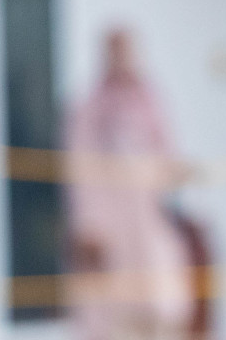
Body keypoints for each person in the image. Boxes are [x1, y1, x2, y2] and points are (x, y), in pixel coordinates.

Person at [66, 29, 192, 340]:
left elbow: (166, 151)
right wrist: (88, 226)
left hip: (147, 219)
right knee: (108, 312)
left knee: (161, 303)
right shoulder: (90, 107)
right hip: (107, 226)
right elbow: (79, 170)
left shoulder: (148, 99)